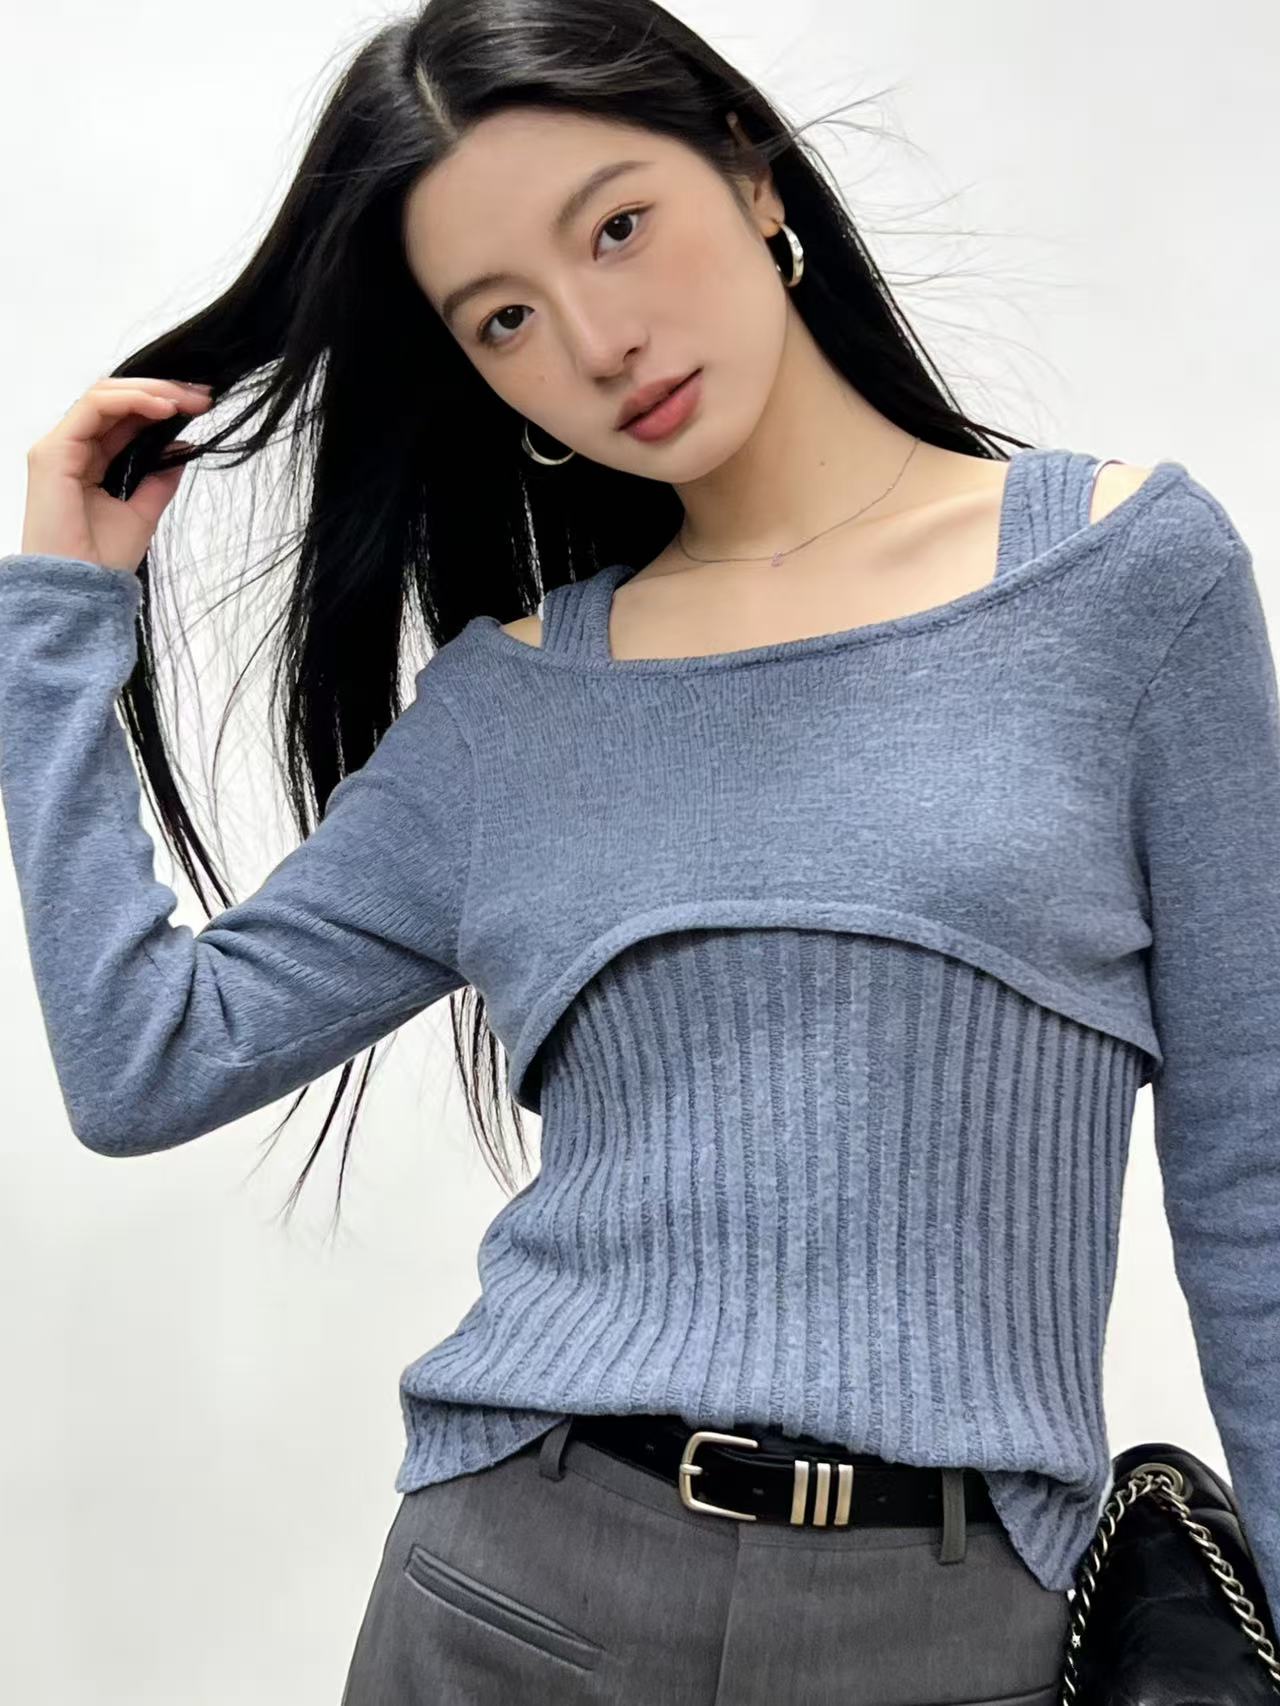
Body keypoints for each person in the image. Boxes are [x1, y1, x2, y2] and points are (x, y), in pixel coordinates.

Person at [2, 1, 1278, 1701]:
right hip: (512, 1597)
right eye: (506, 317)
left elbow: (1255, 1174)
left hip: (951, 1629)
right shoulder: (513, 706)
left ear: (751, 172)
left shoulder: (1128, 584)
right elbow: (142, 1057)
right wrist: (58, 617)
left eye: (617, 226)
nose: (599, 341)